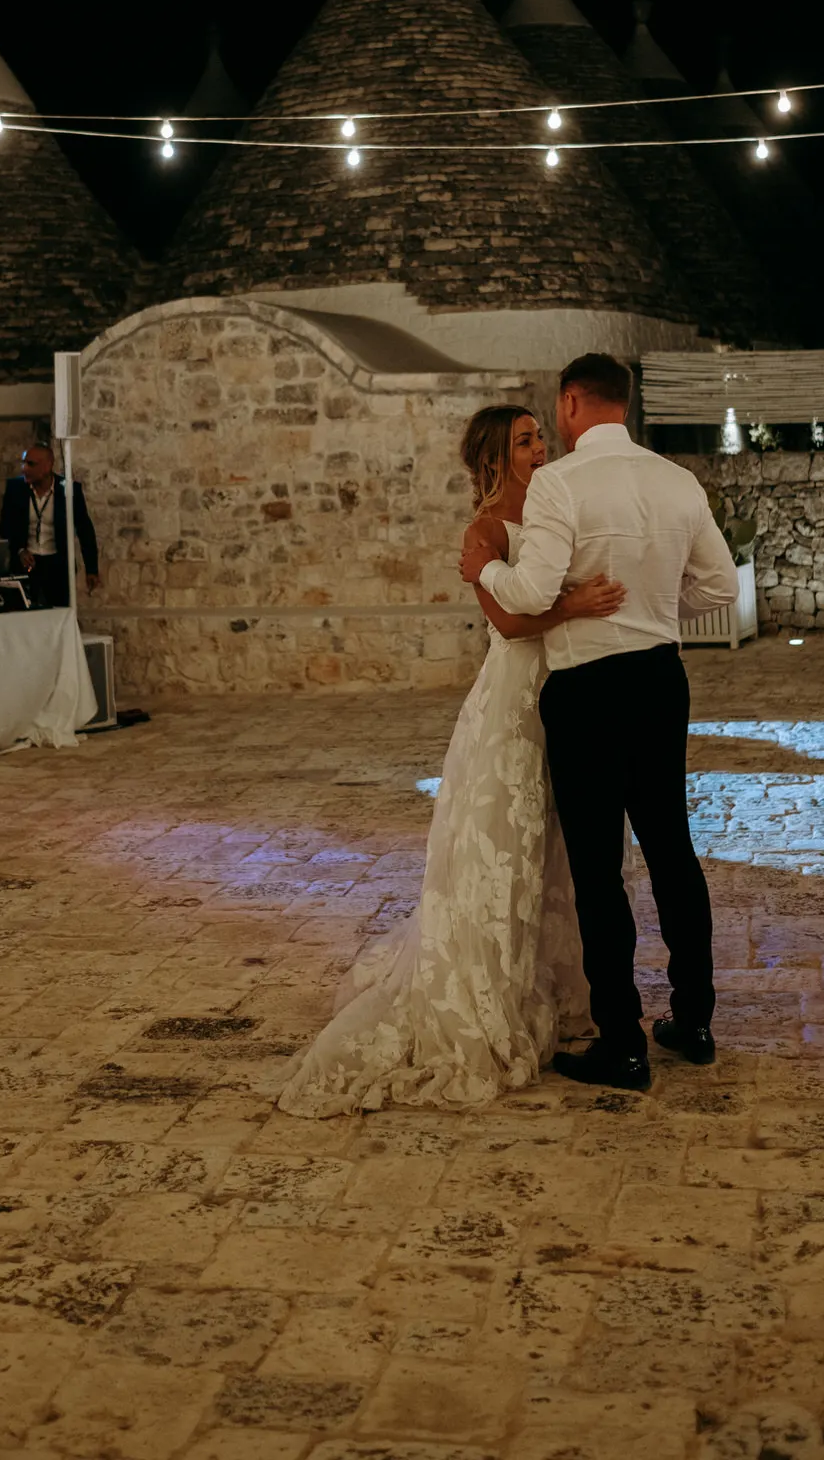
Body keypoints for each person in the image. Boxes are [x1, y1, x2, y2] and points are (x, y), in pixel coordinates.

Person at [276, 404, 627, 1117]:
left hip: (569, 685)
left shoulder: (558, 506)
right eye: (526, 441)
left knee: (560, 850)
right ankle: (486, 996)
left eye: (538, 437)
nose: (540, 448)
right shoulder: (484, 531)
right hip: (513, 699)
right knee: (505, 844)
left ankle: (564, 988)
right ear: (497, 457)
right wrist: (575, 606)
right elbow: (506, 621)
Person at [460, 353, 739, 1092]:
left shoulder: (560, 483)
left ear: (573, 402)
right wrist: (649, 611)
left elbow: (528, 589)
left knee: (596, 870)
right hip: (659, 678)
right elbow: (718, 584)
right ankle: (695, 1020)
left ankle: (622, 1042)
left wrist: (483, 572)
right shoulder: (676, 480)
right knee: (672, 848)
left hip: (586, 686)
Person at [0, 442, 100, 607]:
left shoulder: (68, 490)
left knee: (59, 611)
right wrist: (20, 550)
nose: (25, 468)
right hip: (26, 562)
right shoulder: (15, 489)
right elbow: (5, 527)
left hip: (57, 564)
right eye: (24, 463)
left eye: (31, 464)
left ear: (47, 466)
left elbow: (85, 530)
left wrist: (92, 569)